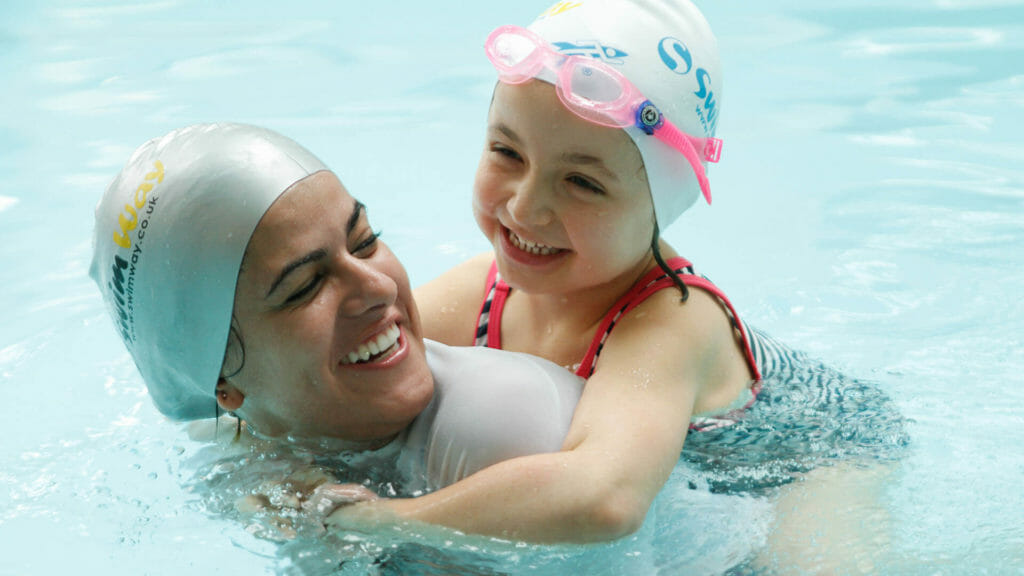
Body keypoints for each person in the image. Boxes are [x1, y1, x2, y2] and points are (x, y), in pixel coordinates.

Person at [325, 0, 901, 545]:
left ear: (660, 205)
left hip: (812, 453)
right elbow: (334, 370)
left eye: (583, 182)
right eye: (508, 153)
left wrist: (382, 520)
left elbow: (603, 498)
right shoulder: (485, 289)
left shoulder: (674, 321)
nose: (525, 208)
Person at [89, 122, 584, 501]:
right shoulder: (237, 464)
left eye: (365, 242)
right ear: (224, 385)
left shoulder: (508, 433)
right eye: (305, 286)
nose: (378, 286)